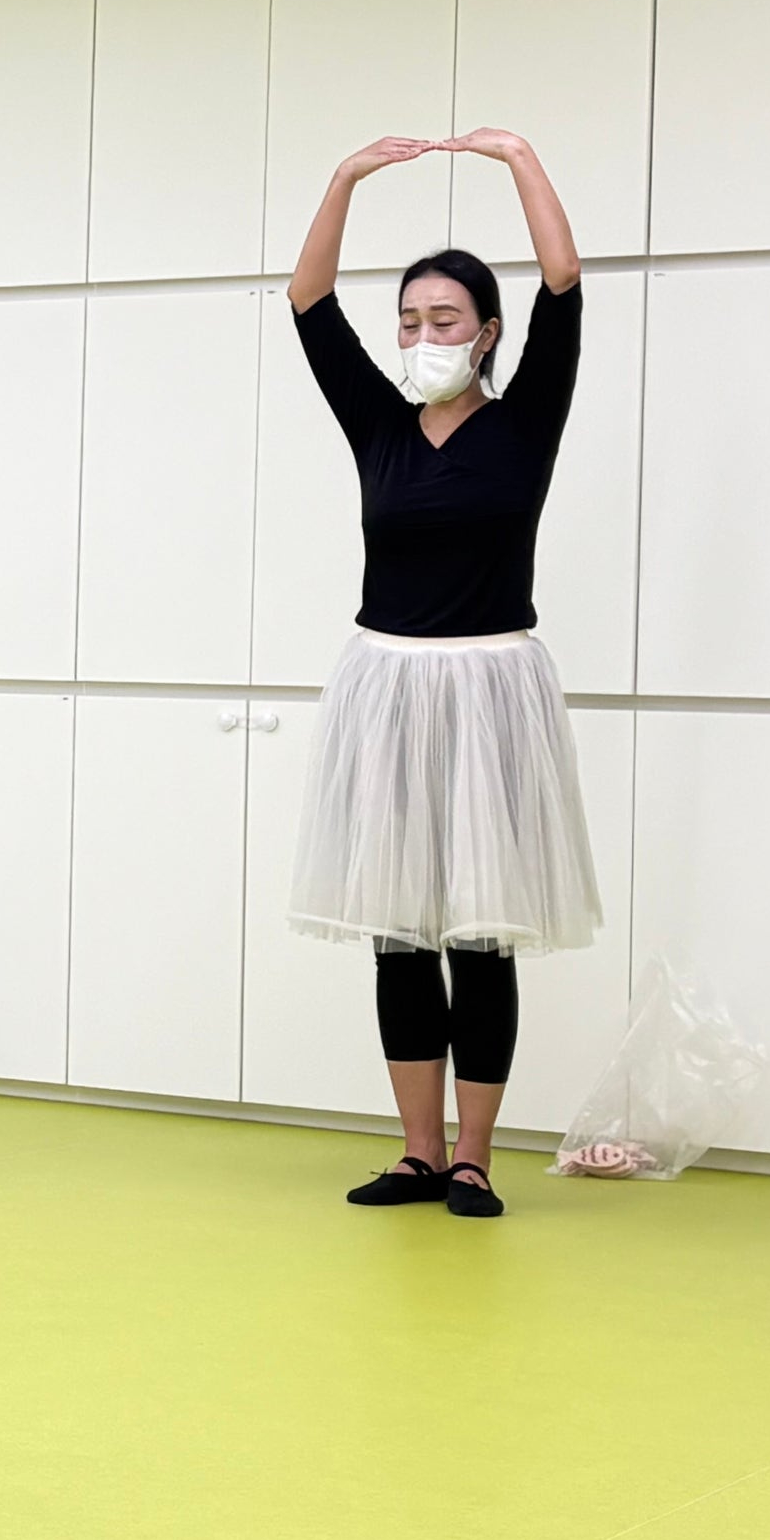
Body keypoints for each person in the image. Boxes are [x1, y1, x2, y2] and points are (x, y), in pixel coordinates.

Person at [283, 129, 602, 1220]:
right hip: (387, 687)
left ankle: (474, 1155)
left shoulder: (527, 420)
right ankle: (418, 1153)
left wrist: (516, 157)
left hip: (491, 688)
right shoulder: (378, 422)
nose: (425, 337)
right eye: (411, 321)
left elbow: (565, 279)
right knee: (401, 935)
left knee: (479, 933)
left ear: (487, 334)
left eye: (446, 320)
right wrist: (345, 177)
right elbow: (308, 301)